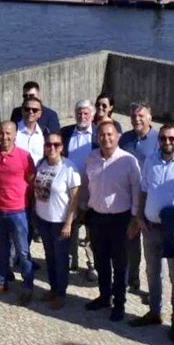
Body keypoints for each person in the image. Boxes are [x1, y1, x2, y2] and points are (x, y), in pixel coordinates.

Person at [131, 124, 174, 341]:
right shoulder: (150, 161)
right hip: (150, 227)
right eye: (163, 138)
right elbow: (143, 190)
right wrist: (140, 216)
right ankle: (154, 312)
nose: (167, 142)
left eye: (171, 138)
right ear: (158, 139)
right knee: (152, 271)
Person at [84, 121, 142, 322]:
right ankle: (104, 296)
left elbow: (136, 191)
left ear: (118, 136)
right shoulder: (91, 158)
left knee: (120, 264)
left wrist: (135, 220)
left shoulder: (128, 161)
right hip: (97, 217)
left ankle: (119, 303)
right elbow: (87, 187)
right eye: (102, 134)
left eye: (110, 134)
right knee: (100, 260)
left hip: (121, 219)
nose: (106, 138)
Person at [0, 121, 37, 305]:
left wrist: (23, 201)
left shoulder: (24, 156)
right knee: (2, 249)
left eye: (8, 133)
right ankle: (1, 281)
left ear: (15, 135)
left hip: (18, 211)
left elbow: (31, 180)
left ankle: (28, 286)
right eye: (2, 133)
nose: (5, 137)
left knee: (22, 251)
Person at [32, 132, 81, 310]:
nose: (52, 148)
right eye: (48, 144)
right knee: (49, 257)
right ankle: (53, 288)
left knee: (61, 259)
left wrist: (68, 222)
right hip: (43, 219)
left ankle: (61, 293)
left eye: (56, 144)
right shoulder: (41, 164)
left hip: (61, 221)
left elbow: (75, 198)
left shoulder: (69, 168)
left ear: (62, 147)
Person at [119, 102, 159, 296]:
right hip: (128, 201)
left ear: (150, 117)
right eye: (134, 116)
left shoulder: (160, 140)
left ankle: (153, 290)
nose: (137, 119)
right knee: (130, 244)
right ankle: (131, 280)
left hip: (151, 204)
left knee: (152, 250)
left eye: (141, 115)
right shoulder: (125, 139)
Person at [60, 99, 98, 279]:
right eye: (79, 113)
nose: (82, 116)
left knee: (91, 231)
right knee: (70, 228)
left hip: (92, 191)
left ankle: (92, 264)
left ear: (92, 114)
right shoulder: (65, 133)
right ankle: (70, 259)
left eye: (86, 113)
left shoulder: (99, 134)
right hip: (70, 192)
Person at [15, 96, 45, 165]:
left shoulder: (44, 133)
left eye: (35, 110)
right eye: (27, 109)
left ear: (40, 114)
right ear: (22, 111)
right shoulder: (14, 131)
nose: (30, 112)